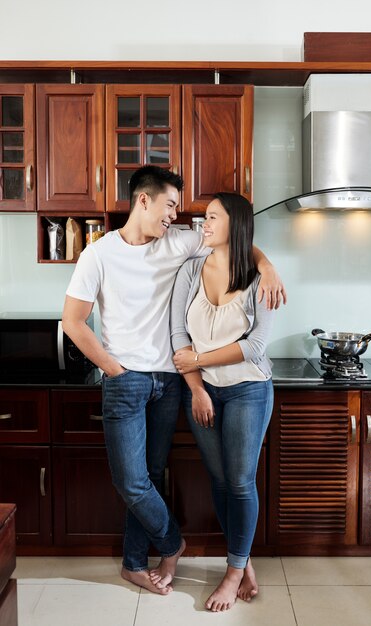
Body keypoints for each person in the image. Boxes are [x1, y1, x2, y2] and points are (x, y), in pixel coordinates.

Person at [62, 165, 286, 596]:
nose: (177, 216)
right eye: (170, 206)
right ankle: (172, 542)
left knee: (151, 473)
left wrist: (268, 264)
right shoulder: (98, 254)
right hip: (126, 379)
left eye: (180, 209)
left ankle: (134, 563)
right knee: (131, 481)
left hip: (170, 381)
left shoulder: (180, 241)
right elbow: (73, 322)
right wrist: (114, 370)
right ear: (143, 200)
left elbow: (235, 240)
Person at [170, 192, 276, 612]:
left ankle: (232, 573)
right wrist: (196, 386)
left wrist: (197, 359)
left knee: (240, 481)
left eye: (212, 217)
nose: (204, 224)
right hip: (201, 390)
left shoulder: (259, 278)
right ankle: (243, 559)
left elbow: (255, 347)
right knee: (218, 479)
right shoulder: (191, 268)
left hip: (249, 388)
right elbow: (179, 336)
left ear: (234, 222)